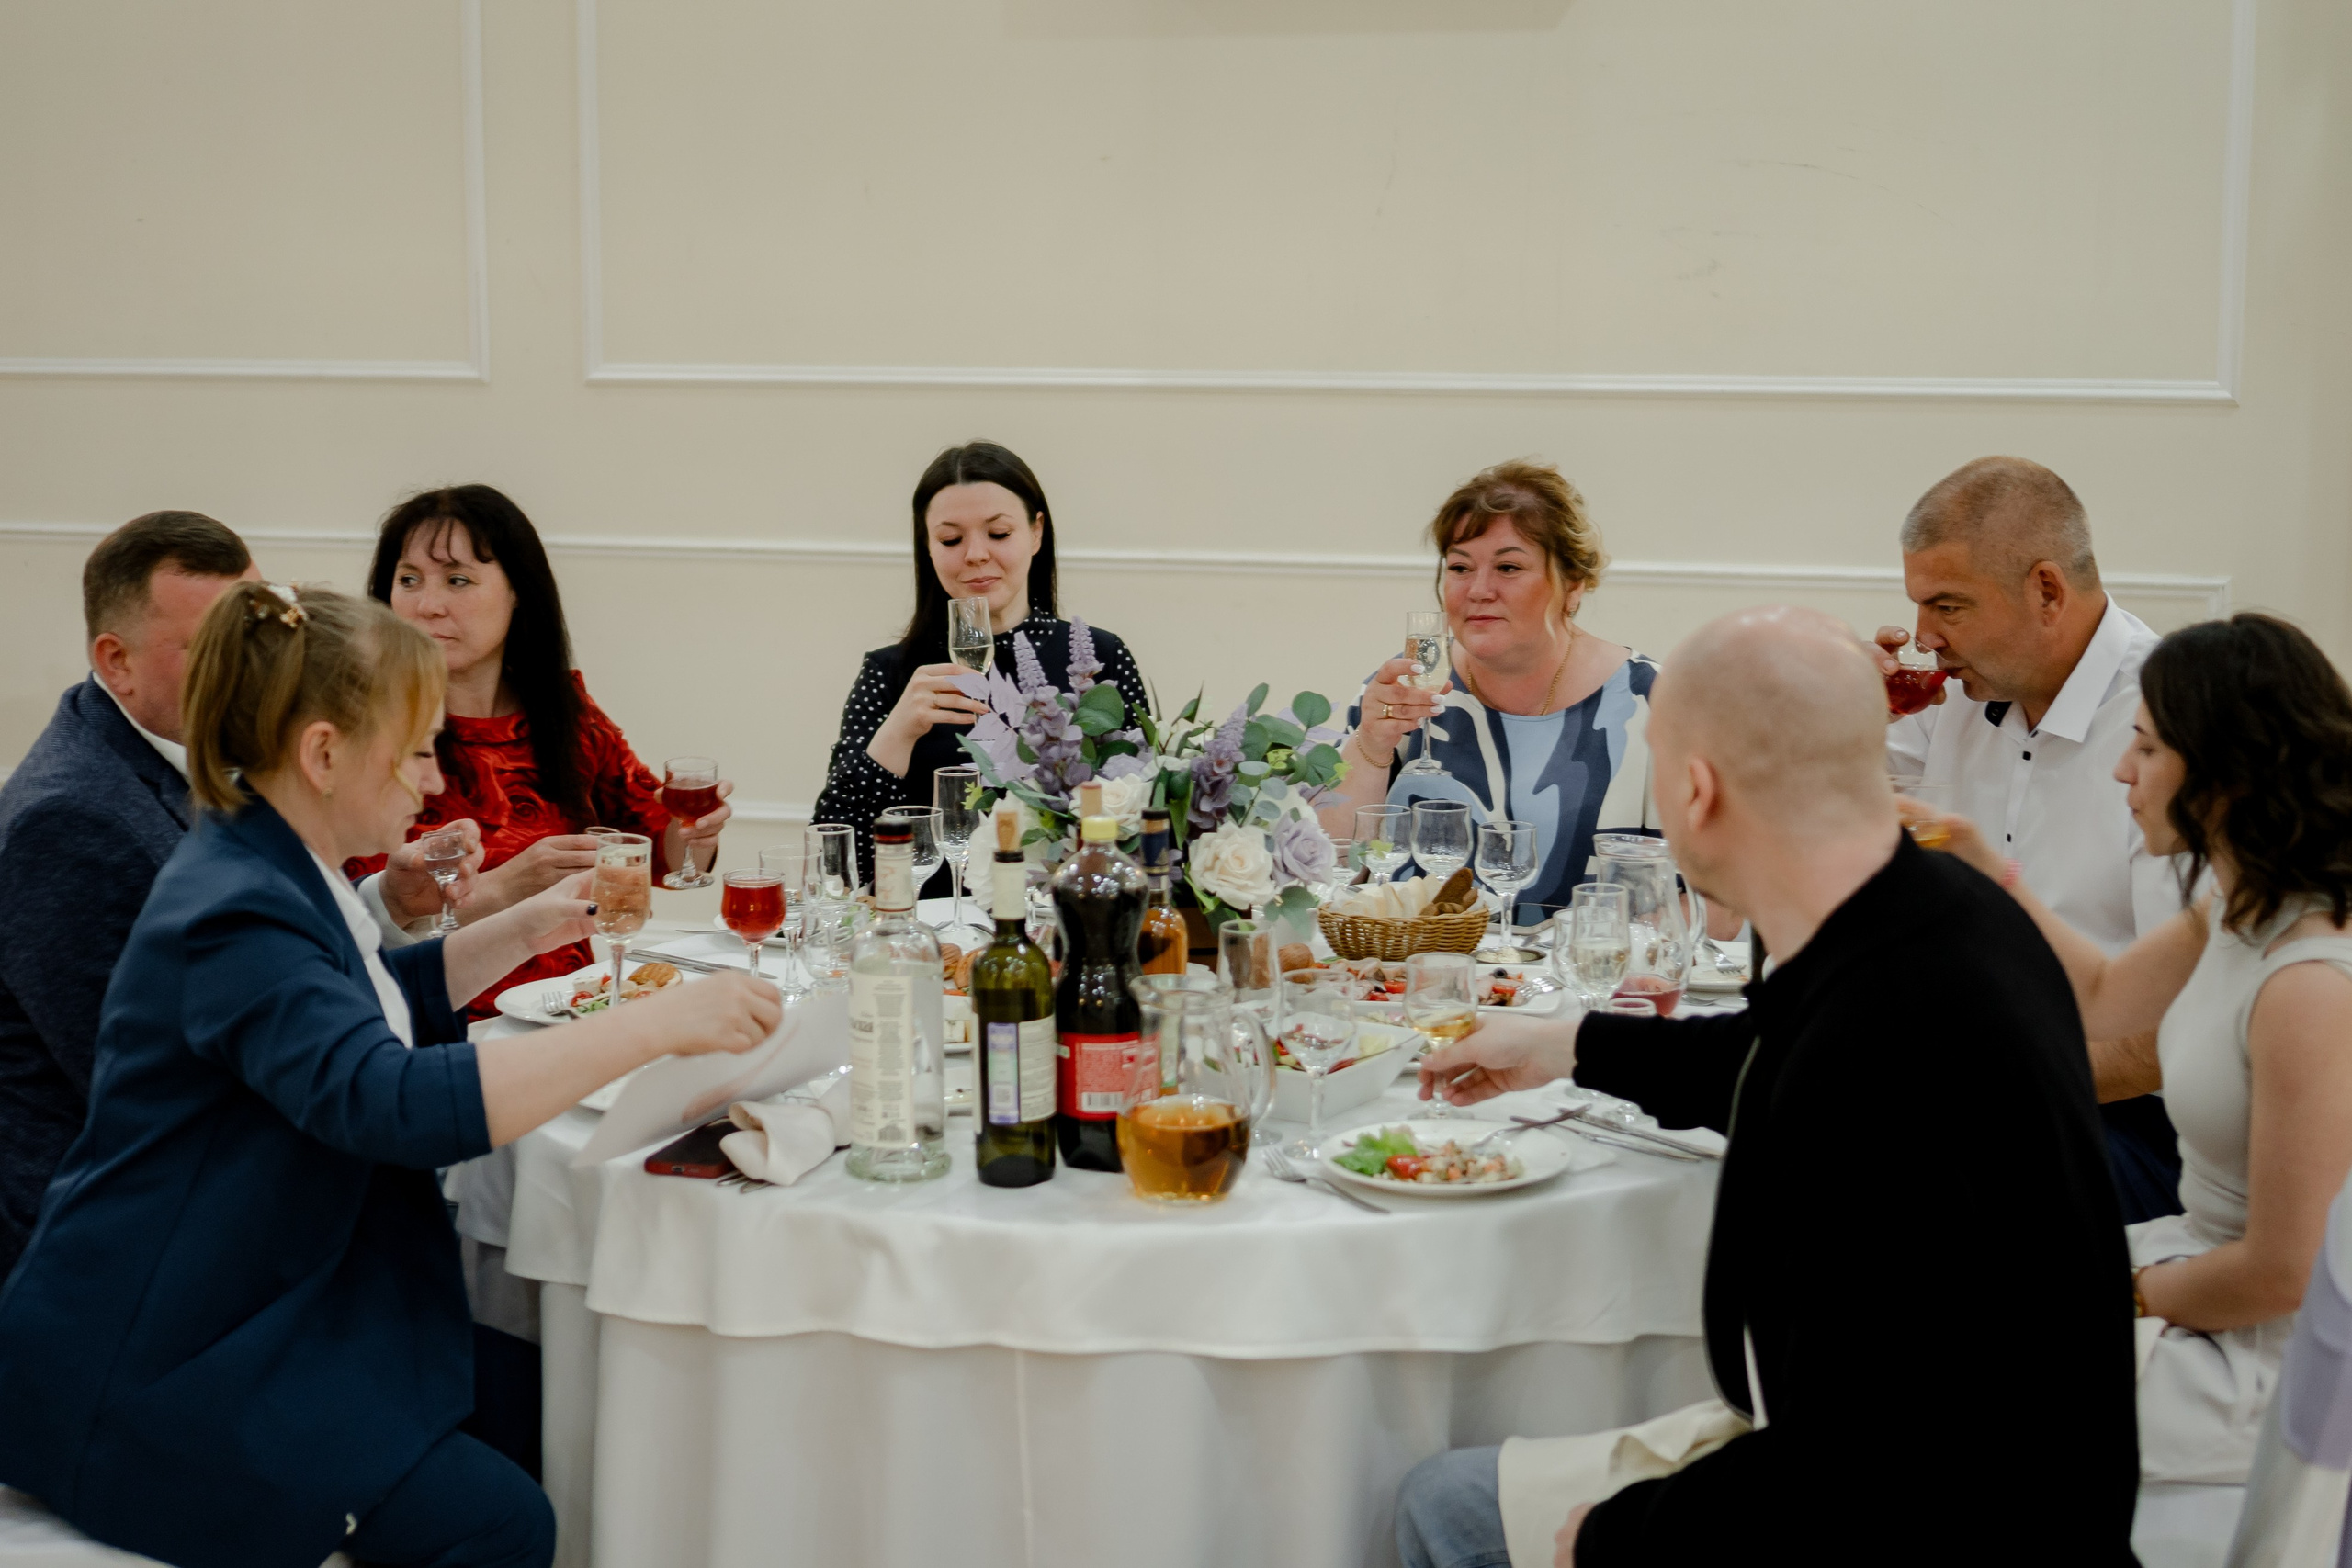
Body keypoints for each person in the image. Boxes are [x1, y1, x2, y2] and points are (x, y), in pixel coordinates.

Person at [0, 582, 779, 1568]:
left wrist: (531, 924)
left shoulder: (272, 857)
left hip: (253, 1296)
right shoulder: (235, 907)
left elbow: (361, 1001)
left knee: (554, 1383)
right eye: (415, 750)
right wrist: (655, 1026)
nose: (430, 779)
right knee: (505, 1520)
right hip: (171, 1355)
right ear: (324, 754)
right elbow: (389, 1100)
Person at [1395, 606, 2137, 1567]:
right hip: (2016, 1474)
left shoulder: (1877, 1052)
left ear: (1696, 790)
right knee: (1452, 1496)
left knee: (1446, 1510)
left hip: (1960, 1520)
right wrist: (1565, 1043)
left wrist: (1615, 1538)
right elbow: (1765, 1053)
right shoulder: (1937, 912)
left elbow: (1858, 1465)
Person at [1922, 613, 2352, 1487]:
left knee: (1923, 1389)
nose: (2122, 768)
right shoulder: (2236, 905)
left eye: (2148, 748)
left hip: (2257, 1363)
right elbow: (2100, 993)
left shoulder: (2309, 984)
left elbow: (2283, 1273)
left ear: (2229, 776)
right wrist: (1981, 861)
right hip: (2185, 1268)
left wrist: (2110, 1292)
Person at [0, 513, 464, 1283]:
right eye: (213, 645)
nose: (255, 667)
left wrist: (392, 901)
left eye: (257, 632)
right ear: (116, 661)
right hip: (136, 1255)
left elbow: (282, 980)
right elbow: (179, 1084)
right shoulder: (72, 820)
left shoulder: (211, 752)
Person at [1877, 456, 2182, 1223]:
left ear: (2047, 589)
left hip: (2129, 1118)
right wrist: (1844, 705)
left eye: (1948, 606)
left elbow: (2169, 1032)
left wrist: (1967, 1082)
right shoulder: (1951, 695)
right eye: (1919, 607)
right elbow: (1825, 827)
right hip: (1972, 1076)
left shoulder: (2172, 723)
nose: (1925, 637)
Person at [348, 484, 731, 1020]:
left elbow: (659, 855)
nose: (426, 605)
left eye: (457, 580)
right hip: (436, 1024)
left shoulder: (562, 710)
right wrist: (506, 887)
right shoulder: (361, 726)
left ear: (518, 592)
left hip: (566, 1009)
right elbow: (359, 926)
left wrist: (695, 833)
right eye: (408, 580)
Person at [1319, 460, 1661, 925]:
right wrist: (1372, 745)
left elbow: (1714, 902)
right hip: (1421, 967)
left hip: (1590, 968)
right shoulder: (1402, 694)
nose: (1479, 590)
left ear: (1573, 585)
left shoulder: (1655, 703)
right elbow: (1329, 873)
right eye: (1460, 567)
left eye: (1508, 567)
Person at [813, 441, 1150, 884]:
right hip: (932, 922)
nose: (974, 554)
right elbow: (836, 863)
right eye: (951, 539)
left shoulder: (1097, 657)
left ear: (1036, 533)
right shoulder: (891, 672)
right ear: (928, 546)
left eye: (999, 533)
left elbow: (1150, 819)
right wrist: (898, 733)